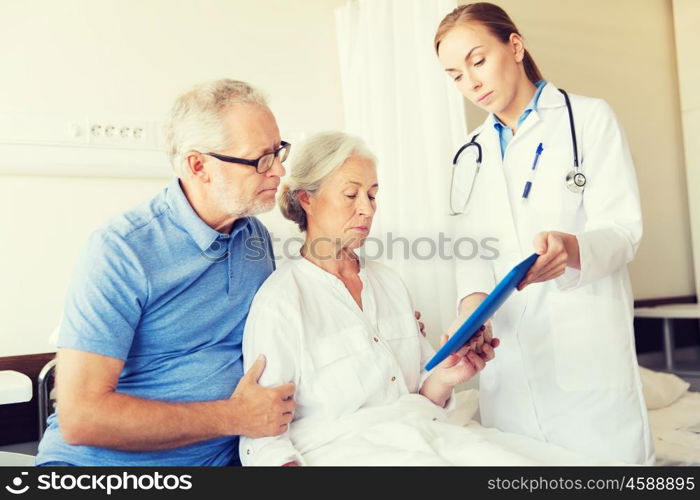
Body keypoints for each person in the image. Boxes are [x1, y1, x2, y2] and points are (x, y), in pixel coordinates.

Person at [238, 132, 609, 466]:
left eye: (372, 194)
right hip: (346, 453)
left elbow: (421, 396)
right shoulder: (281, 302)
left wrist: (449, 376)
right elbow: (264, 441)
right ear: (307, 199)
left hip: (425, 434)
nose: (367, 208)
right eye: (351, 194)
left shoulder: (387, 283)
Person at [434, 3, 653, 464]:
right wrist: (472, 308)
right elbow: (471, 250)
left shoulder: (589, 120)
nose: (470, 83)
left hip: (584, 347)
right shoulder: (468, 154)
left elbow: (623, 230)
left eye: (478, 61)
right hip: (508, 361)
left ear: (514, 46)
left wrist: (572, 249)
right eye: (455, 75)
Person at [35, 79, 296, 466]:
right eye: (260, 159)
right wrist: (235, 416)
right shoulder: (121, 250)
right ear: (198, 165)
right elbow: (81, 417)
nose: (278, 171)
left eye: (279, 152)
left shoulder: (252, 236)